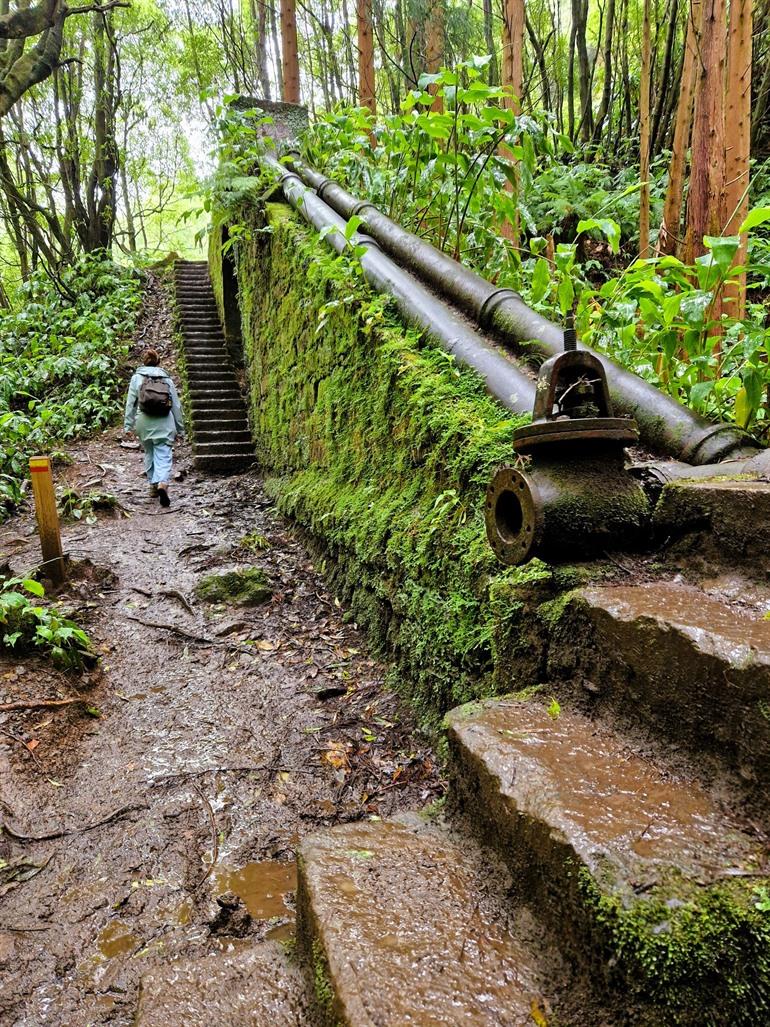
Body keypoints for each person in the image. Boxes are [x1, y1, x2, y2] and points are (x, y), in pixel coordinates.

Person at [124, 348, 184, 507]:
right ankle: (162, 483)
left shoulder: (136, 378)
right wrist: (181, 428)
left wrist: (128, 425)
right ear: (159, 362)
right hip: (165, 421)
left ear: (144, 362)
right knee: (163, 452)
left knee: (149, 451)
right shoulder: (167, 379)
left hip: (143, 420)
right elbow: (176, 406)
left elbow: (131, 404)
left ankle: (152, 485)